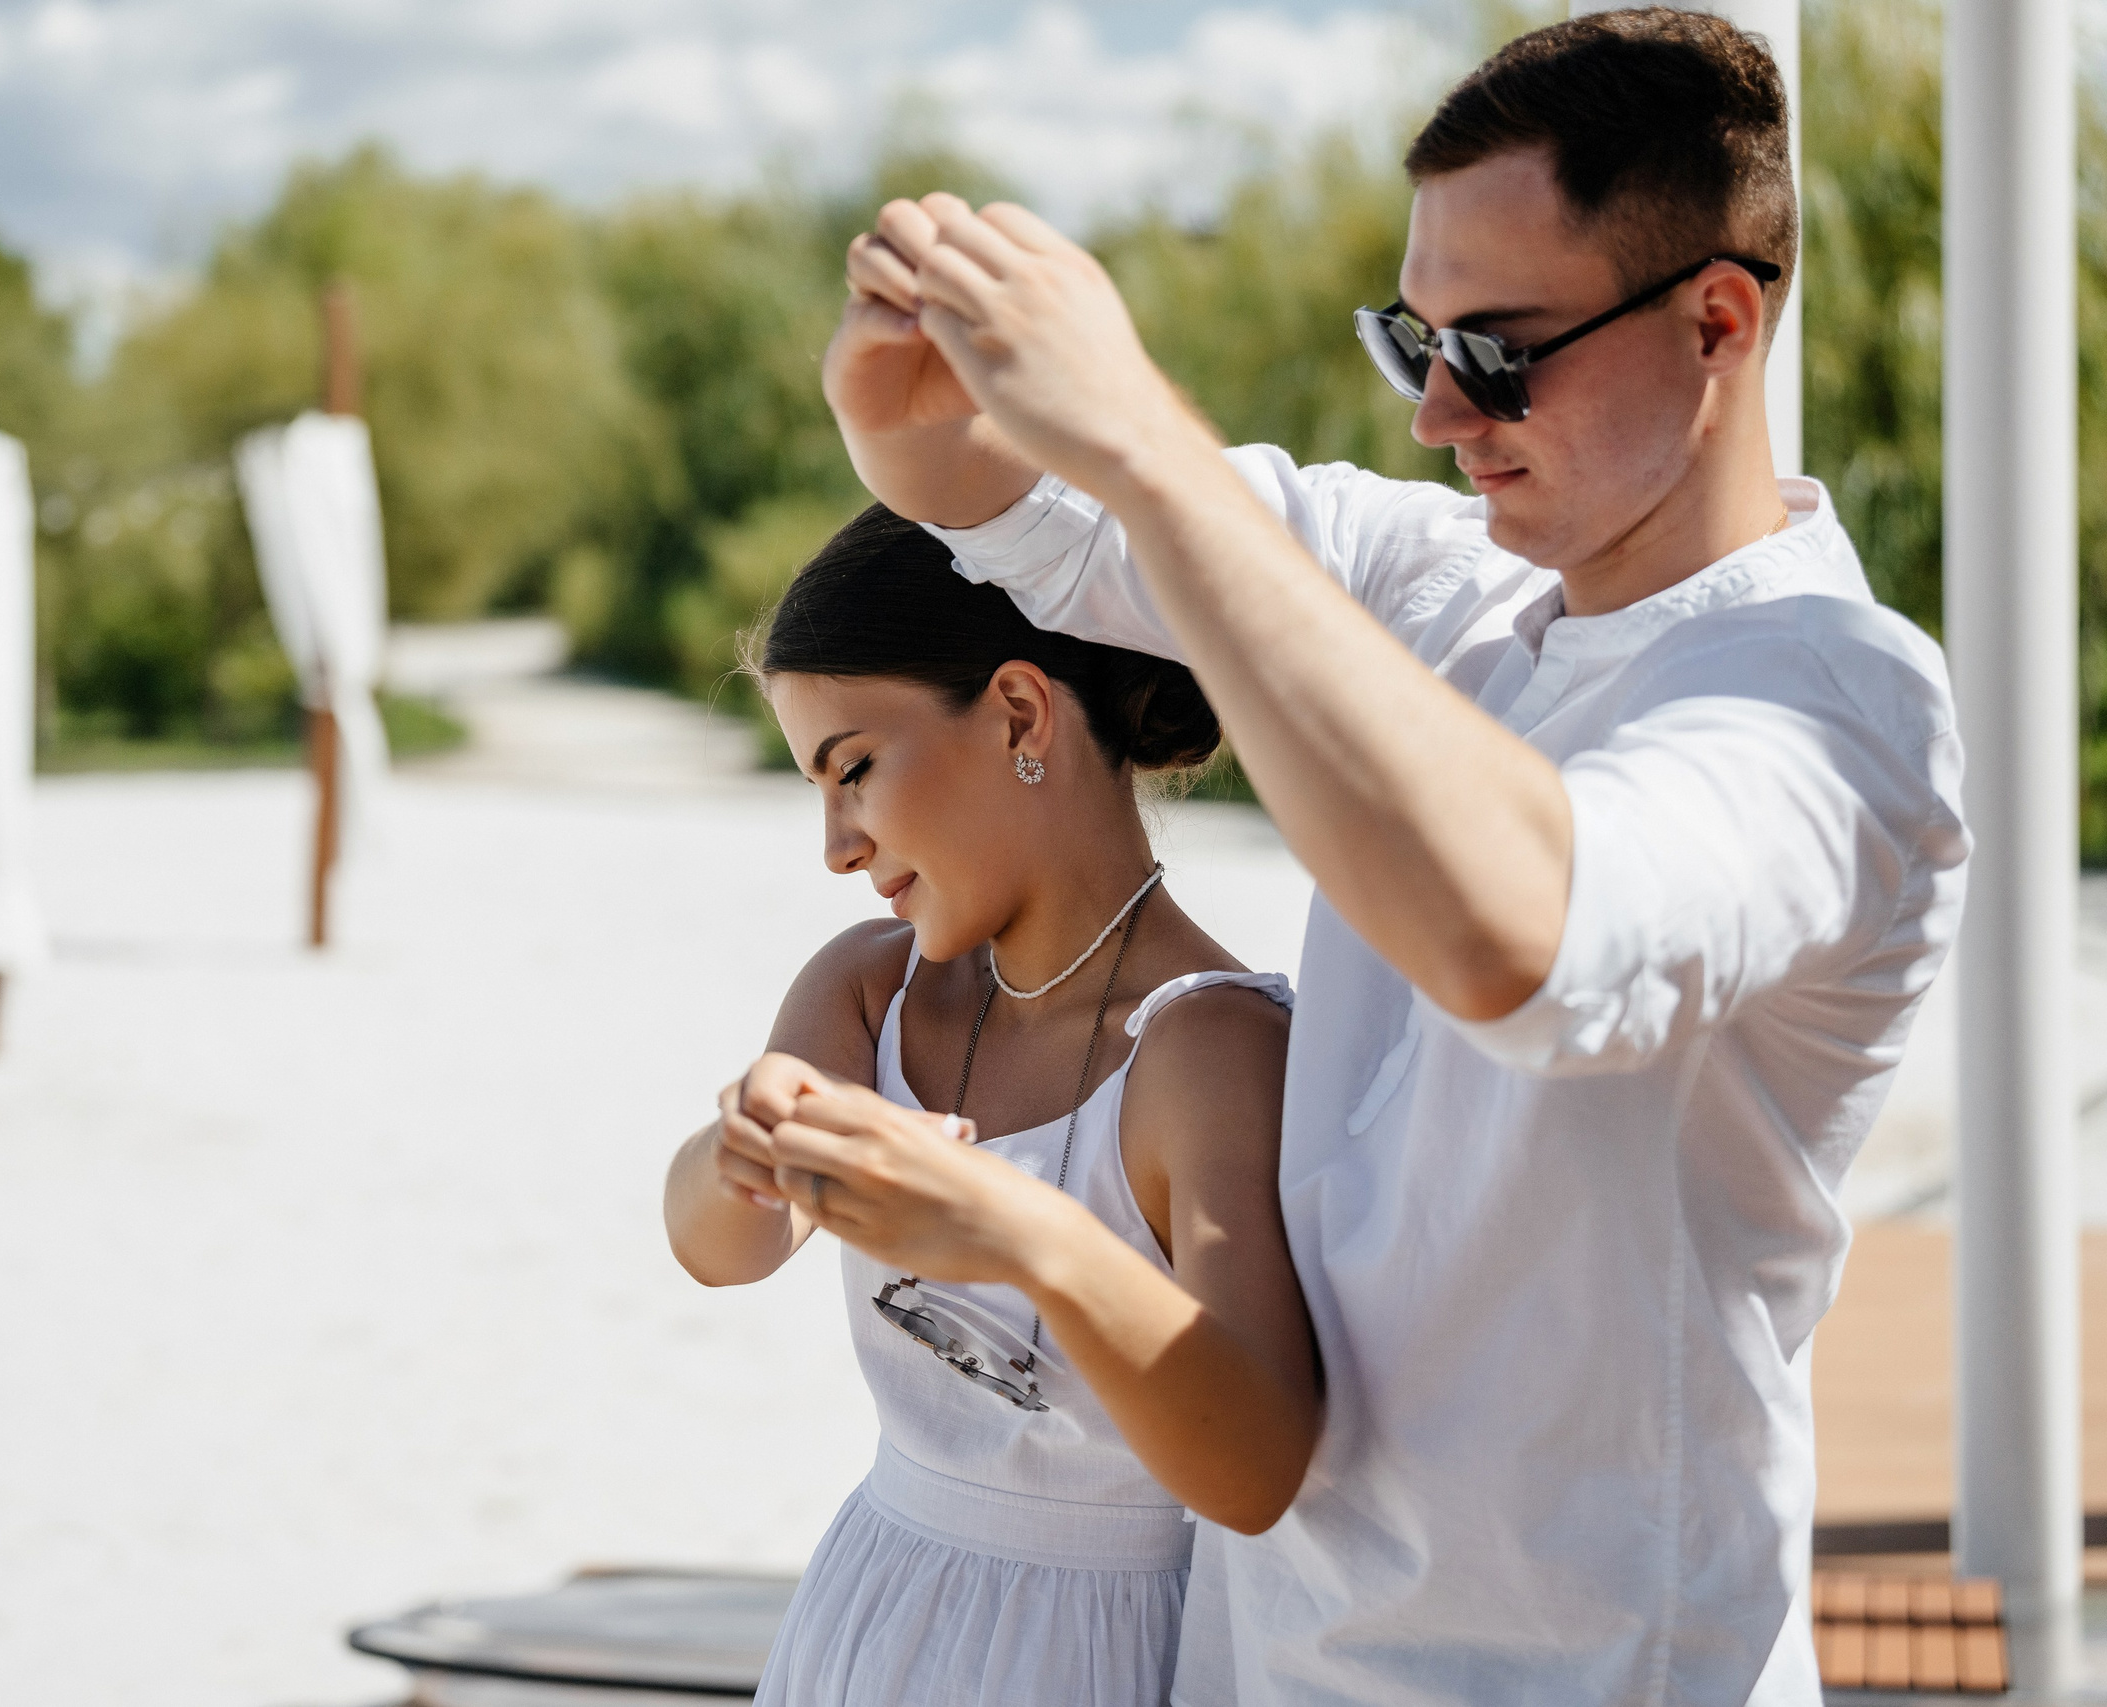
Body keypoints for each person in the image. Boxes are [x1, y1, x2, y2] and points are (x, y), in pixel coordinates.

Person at [743, 9, 1969, 1704]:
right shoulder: (1451, 577)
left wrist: (1141, 436)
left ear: (1716, 321)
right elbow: (1019, 510)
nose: (1439, 415)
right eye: (1418, 342)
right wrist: (909, 386)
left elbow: (1523, 937)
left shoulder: (1831, 700)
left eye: (1502, 352)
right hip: (1267, 1656)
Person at [662, 503, 1320, 1706]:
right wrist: (741, 1142)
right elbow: (722, 1253)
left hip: (1096, 1653)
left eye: (854, 770)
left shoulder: (1209, 1049)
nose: (836, 847)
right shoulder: (873, 989)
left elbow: (1256, 1468)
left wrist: (1023, 1238)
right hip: (868, 1610)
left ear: (1020, 713)